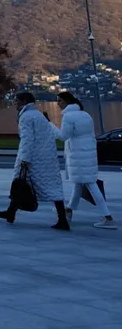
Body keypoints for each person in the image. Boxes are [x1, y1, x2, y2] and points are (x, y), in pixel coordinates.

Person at [0, 91, 69, 229]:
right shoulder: (38, 115)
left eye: (16, 101)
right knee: (53, 188)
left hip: (33, 158)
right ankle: (62, 219)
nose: (15, 103)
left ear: (23, 102)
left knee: (19, 182)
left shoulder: (26, 117)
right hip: (46, 158)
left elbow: (27, 140)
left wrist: (25, 159)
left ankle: (11, 213)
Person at [56, 91, 115, 230]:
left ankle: (108, 217)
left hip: (78, 155)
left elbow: (63, 136)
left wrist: (50, 126)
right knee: (79, 184)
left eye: (59, 101)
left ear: (66, 101)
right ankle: (69, 211)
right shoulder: (85, 115)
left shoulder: (68, 117)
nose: (58, 103)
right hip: (87, 154)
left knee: (90, 185)